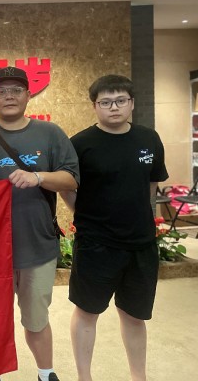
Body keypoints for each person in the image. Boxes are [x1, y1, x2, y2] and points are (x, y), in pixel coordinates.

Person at [0, 66, 79, 381]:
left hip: (37, 246)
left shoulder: (50, 133)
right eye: (2, 91)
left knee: (36, 320)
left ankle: (46, 373)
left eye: (16, 90)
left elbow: (71, 178)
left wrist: (38, 177)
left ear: (29, 95)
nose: (10, 96)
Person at [61, 75, 168, 381]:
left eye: (120, 100)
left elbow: (151, 184)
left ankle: (139, 377)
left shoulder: (149, 139)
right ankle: (84, 377)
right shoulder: (80, 144)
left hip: (141, 244)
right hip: (96, 244)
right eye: (105, 102)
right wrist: (85, 215)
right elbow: (67, 187)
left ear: (131, 103)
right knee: (87, 311)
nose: (114, 107)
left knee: (134, 316)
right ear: (95, 106)